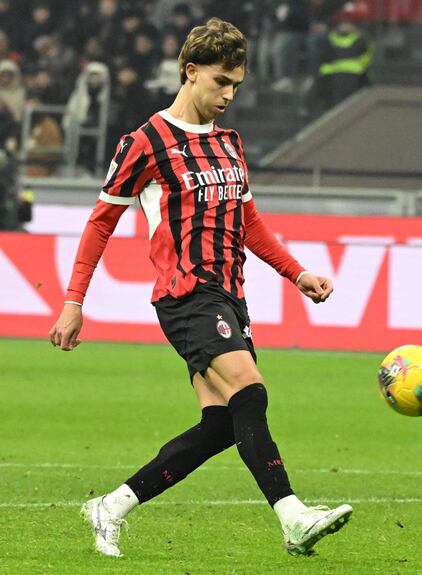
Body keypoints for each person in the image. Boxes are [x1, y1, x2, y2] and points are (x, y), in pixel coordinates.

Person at [48, 18, 353, 558]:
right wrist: (74, 302)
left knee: (221, 426)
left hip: (230, 296)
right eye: (220, 82)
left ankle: (110, 506)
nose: (229, 95)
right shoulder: (144, 143)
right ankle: (293, 517)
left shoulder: (229, 144)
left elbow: (249, 220)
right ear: (190, 72)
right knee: (252, 392)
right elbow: (100, 222)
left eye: (236, 84)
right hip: (186, 295)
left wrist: (297, 273)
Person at [317, 15, 372, 109]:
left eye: (348, 24)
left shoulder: (361, 40)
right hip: (332, 76)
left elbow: (367, 57)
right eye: (342, 24)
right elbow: (324, 57)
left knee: (350, 103)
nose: (345, 26)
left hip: (354, 75)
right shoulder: (329, 39)